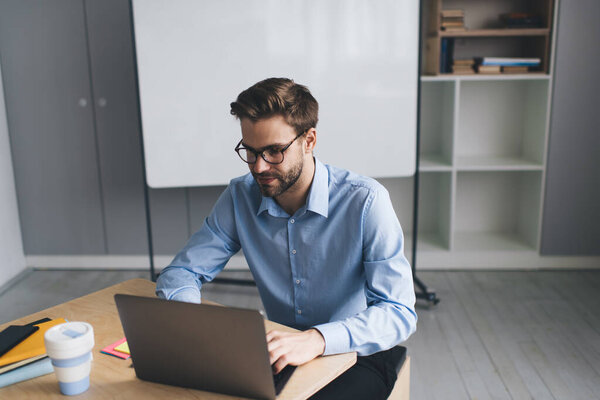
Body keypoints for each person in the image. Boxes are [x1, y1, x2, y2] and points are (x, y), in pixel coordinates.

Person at [156, 77, 417, 399]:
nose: (259, 166)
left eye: (274, 151)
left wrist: (316, 339)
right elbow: (181, 272)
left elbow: (398, 311)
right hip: (278, 349)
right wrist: (192, 323)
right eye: (249, 152)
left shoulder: (366, 201)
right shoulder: (240, 195)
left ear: (309, 140)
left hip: (355, 353)